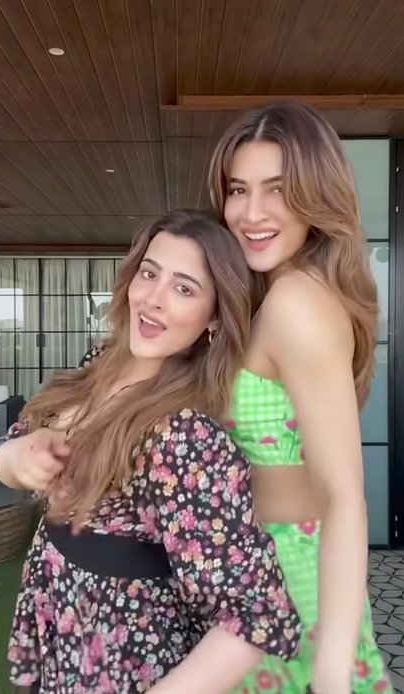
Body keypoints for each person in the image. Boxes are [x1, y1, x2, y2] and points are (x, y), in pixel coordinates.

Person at [0, 210, 301, 694]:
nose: (153, 298)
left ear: (214, 317)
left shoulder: (184, 435)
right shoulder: (99, 363)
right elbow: (12, 452)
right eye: (149, 273)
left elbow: (256, 614)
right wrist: (17, 458)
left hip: (120, 660)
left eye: (184, 288)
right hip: (58, 621)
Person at [207, 102, 392, 694]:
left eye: (278, 189)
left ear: (318, 195)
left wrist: (331, 673)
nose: (251, 213)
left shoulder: (296, 304)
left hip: (290, 586)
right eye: (238, 190)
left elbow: (344, 497)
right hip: (252, 580)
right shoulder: (274, 294)